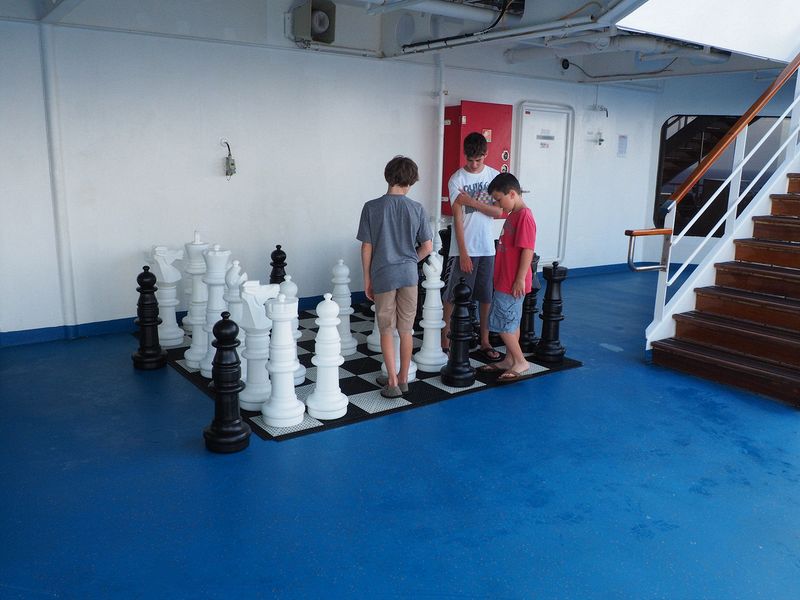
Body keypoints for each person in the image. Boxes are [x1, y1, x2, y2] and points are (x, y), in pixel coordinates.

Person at [357, 156, 433, 398]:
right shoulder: (417, 208)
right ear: (411, 181)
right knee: (406, 329)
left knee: (386, 329)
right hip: (409, 275)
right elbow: (427, 247)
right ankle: (403, 379)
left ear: (387, 176)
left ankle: (390, 381)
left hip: (383, 275)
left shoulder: (372, 207)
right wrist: (411, 261)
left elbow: (366, 247)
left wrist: (367, 278)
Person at [443, 132, 506, 362]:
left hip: (487, 247)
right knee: (452, 296)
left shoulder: (494, 177)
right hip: (464, 248)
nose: (473, 164)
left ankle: (485, 340)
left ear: (485, 155)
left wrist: (471, 202)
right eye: (470, 160)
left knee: (485, 296)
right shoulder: (456, 179)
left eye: (478, 160)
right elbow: (457, 219)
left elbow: (499, 211)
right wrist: (463, 253)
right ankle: (445, 340)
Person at [477, 173, 536, 381]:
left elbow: (527, 249)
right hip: (505, 280)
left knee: (502, 323)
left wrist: (519, 278)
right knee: (511, 323)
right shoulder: (513, 214)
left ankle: (520, 361)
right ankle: (510, 359)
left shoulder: (525, 217)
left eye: (499, 199)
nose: (498, 204)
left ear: (512, 194)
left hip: (511, 282)